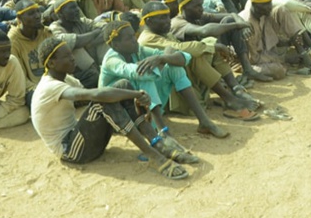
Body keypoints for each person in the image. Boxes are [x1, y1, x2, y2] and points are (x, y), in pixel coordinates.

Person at [30, 37, 192, 179]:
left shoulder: (68, 80)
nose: (73, 58)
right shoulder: (49, 86)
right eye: (67, 56)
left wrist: (130, 94)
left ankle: (158, 144)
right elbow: (94, 96)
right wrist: (135, 94)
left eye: (72, 54)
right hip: (71, 151)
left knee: (123, 86)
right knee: (102, 101)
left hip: (85, 143)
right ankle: (154, 156)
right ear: (51, 63)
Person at [100, 20, 228, 139]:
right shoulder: (112, 60)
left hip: (139, 107)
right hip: (119, 115)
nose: (135, 40)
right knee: (146, 76)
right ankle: (162, 133)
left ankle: (204, 121)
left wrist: (162, 59)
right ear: (115, 45)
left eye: (134, 35)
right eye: (129, 38)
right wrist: (162, 59)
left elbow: (185, 58)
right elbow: (138, 73)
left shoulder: (137, 50)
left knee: (173, 68)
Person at [138, 0, 259, 118]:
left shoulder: (164, 33)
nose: (167, 21)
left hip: (181, 80)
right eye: (162, 18)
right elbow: (180, 48)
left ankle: (234, 89)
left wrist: (212, 46)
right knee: (196, 53)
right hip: (166, 90)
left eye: (168, 17)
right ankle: (228, 99)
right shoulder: (147, 39)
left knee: (208, 46)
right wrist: (212, 46)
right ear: (149, 21)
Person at [7, 0, 52, 105]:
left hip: (52, 82)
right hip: (32, 87)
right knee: (36, 98)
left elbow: (58, 60)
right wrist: (38, 89)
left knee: (90, 76)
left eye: (38, 11)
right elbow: (20, 76)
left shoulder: (45, 32)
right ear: (20, 19)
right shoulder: (13, 40)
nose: (37, 16)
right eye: (31, 13)